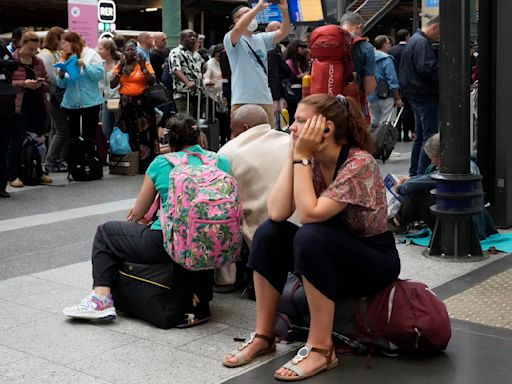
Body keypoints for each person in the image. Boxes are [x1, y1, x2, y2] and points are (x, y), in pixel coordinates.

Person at [222, 94, 400, 381]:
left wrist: (301, 157)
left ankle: (321, 348)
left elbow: (309, 214)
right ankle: (264, 335)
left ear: (326, 129)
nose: (292, 127)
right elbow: (278, 212)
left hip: (374, 259)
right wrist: (295, 154)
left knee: (310, 235)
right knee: (269, 232)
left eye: (301, 121)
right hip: (329, 250)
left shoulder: (359, 163)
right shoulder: (311, 160)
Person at [62, 114, 231, 324]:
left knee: (106, 233)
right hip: (210, 242)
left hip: (167, 243)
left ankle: (101, 299)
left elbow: (139, 213)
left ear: (170, 140)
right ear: (198, 136)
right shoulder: (220, 160)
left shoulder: (161, 163)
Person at [215, 104, 295, 290]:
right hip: (301, 231)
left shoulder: (227, 152)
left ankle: (226, 279)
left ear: (244, 128)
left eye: (233, 131)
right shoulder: (289, 141)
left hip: (263, 242)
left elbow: (221, 204)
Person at [389, 134, 498, 240]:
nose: (432, 162)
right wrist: (411, 178)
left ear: (440, 156)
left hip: (460, 230)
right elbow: (426, 178)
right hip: (473, 224)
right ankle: (398, 221)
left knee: (416, 194)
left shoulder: (449, 172)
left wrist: (399, 187)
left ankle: (397, 222)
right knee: (420, 191)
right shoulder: (466, 163)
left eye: (432, 158)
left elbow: (411, 186)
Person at [223, 0, 290, 128]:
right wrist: (257, 8)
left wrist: (285, 12)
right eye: (246, 13)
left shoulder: (261, 38)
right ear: (236, 20)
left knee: (267, 138)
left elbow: (284, 31)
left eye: (252, 12)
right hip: (243, 100)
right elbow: (238, 29)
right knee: (242, 140)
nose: (252, 15)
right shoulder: (231, 38)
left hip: (265, 99)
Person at [9, 31, 53, 188]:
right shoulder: (11, 60)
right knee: (17, 140)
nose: (33, 53)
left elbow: (48, 84)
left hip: (37, 104)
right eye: (30, 49)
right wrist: (23, 83)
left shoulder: (38, 62)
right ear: (22, 44)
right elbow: (7, 84)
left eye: (35, 49)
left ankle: (38, 171)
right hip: (19, 105)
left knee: (39, 140)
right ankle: (13, 174)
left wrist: (41, 84)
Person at [399, 16, 440, 176]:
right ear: (435, 27)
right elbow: (427, 68)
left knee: (421, 136)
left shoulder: (414, 40)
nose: (439, 37)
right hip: (425, 94)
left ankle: (415, 172)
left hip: (415, 95)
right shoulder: (422, 43)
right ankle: (422, 173)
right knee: (428, 136)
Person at [110, 40, 156, 172]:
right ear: (123, 52)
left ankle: (145, 163)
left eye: (132, 50)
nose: (130, 52)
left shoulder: (143, 63)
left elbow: (152, 81)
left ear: (136, 51)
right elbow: (112, 84)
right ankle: (130, 162)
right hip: (126, 102)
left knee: (144, 132)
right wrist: (119, 72)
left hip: (142, 103)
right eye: (127, 50)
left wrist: (143, 67)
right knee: (128, 131)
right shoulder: (120, 65)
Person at [56, 31, 104, 143]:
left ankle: (90, 157)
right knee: (72, 136)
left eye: (64, 43)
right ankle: (74, 158)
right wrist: (61, 75)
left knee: (89, 135)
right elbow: (61, 85)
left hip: (90, 102)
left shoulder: (91, 54)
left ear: (72, 43)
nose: (62, 47)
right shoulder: (64, 58)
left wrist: (86, 67)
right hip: (71, 103)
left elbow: (99, 76)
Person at [39, 26, 69, 173]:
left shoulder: (54, 53)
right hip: (54, 96)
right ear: (55, 39)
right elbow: (51, 78)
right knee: (62, 130)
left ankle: (54, 159)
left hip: (55, 95)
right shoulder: (46, 55)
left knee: (56, 129)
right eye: (62, 40)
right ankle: (51, 161)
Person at [340, 12, 377, 118]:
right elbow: (369, 88)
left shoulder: (328, 43)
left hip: (326, 102)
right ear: (359, 26)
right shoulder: (365, 47)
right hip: (353, 104)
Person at [368, 35, 402, 124]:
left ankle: (373, 138)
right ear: (383, 45)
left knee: (373, 121)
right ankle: (382, 138)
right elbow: (392, 79)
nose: (390, 45)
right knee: (386, 123)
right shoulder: (387, 59)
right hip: (386, 95)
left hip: (371, 95)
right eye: (388, 43)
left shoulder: (369, 58)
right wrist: (397, 97)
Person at [169, 29, 205, 115]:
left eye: (194, 36)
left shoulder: (196, 54)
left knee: (197, 122)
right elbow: (176, 69)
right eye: (189, 36)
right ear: (182, 39)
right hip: (183, 95)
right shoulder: (176, 52)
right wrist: (187, 82)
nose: (193, 38)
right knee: (185, 122)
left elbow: (203, 67)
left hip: (197, 94)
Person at [388, 29, 414, 142]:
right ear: (407, 36)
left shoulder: (391, 51)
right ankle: (407, 132)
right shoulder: (410, 49)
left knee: (395, 110)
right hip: (408, 83)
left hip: (394, 82)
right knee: (407, 109)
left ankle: (397, 133)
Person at [0, 38, 18, 197]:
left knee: (4, 143)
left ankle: (1, 185)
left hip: (5, 101)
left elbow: (13, 63)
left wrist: (2, 62)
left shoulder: (0, 45)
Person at [97, 38, 121, 140]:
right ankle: (110, 149)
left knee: (119, 128)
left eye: (101, 48)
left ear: (109, 50)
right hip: (105, 100)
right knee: (106, 129)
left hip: (117, 99)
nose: (98, 51)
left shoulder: (118, 63)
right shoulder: (100, 64)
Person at [285, 39, 310, 124]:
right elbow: (290, 78)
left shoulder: (302, 62)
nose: (304, 49)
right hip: (293, 92)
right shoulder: (289, 63)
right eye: (302, 47)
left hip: (302, 89)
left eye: (305, 47)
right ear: (296, 48)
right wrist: (303, 75)